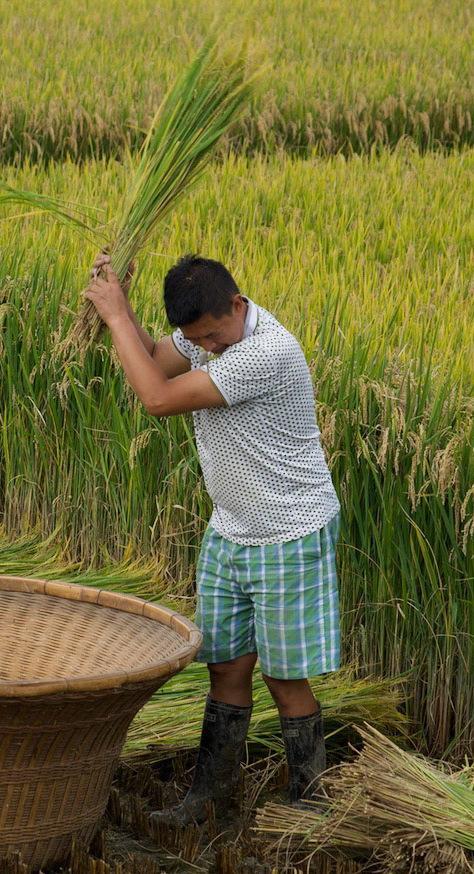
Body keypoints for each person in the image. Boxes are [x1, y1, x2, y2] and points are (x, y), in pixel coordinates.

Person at [81, 252, 342, 824]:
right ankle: (208, 799)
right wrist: (118, 310)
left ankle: (312, 803)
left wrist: (117, 319)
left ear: (237, 304)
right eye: (198, 339)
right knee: (224, 667)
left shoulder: (267, 352)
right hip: (230, 530)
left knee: (282, 676)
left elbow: (157, 398)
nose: (211, 347)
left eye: (216, 336)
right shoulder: (208, 334)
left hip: (287, 531)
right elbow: (154, 361)